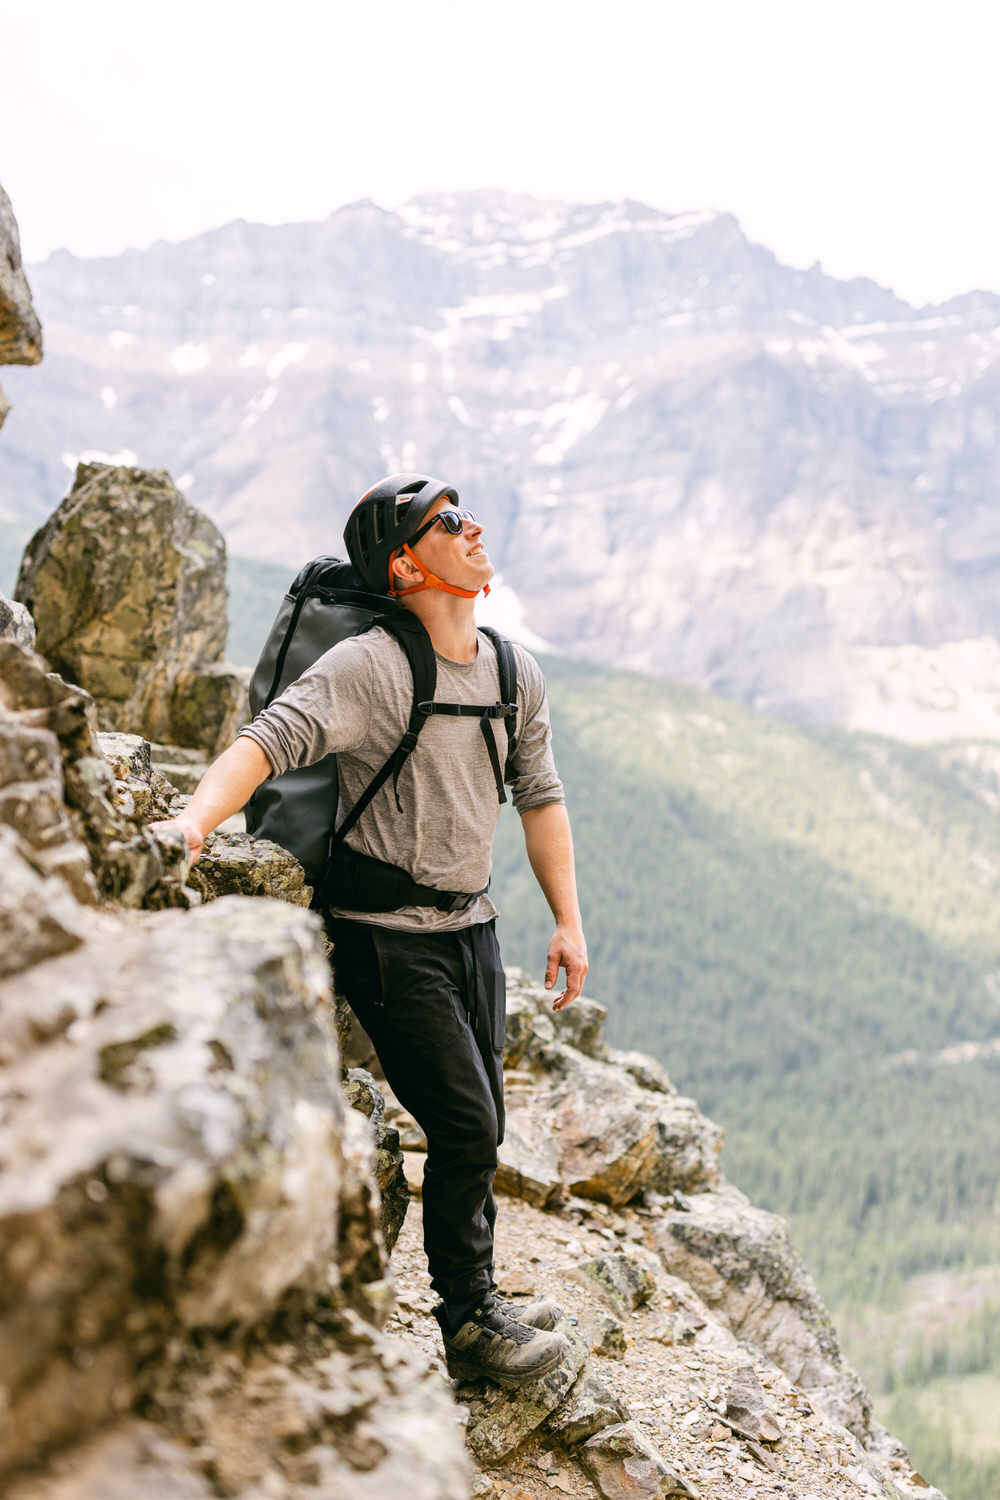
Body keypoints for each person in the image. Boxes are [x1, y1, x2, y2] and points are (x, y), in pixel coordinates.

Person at [152, 473, 588, 1387]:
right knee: (466, 1124)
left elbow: (540, 799)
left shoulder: (513, 672)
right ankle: (470, 1327)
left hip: (473, 927)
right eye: (448, 523)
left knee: (485, 1122)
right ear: (403, 562)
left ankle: (482, 1293)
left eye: (468, 516)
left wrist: (567, 923)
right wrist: (193, 825)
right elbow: (266, 741)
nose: (473, 531)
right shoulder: (371, 667)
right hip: (383, 933)